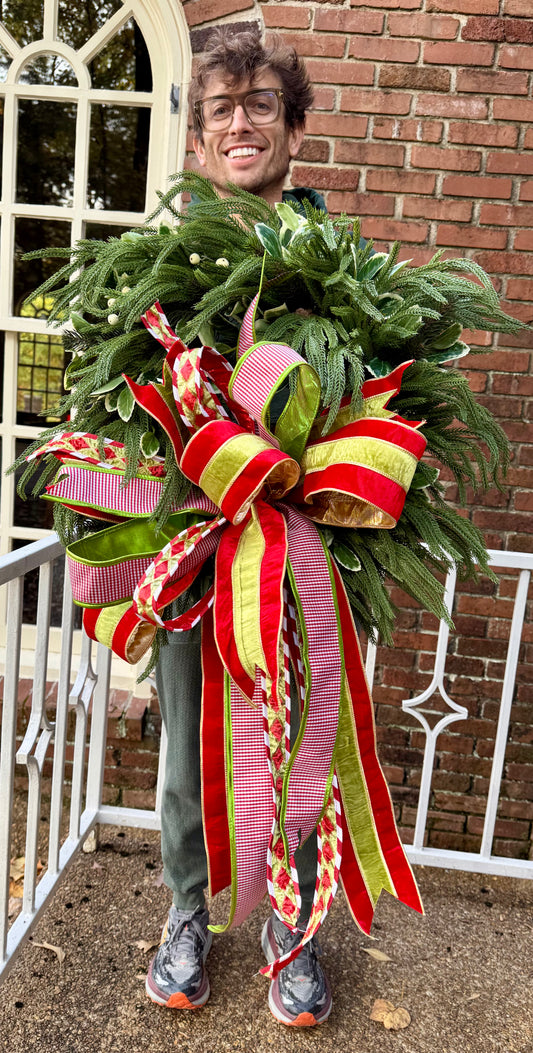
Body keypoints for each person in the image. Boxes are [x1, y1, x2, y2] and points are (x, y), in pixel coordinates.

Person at [146, 27, 333, 1028]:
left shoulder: (330, 256)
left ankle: (290, 926)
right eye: (221, 106)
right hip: (193, 539)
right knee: (185, 749)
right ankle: (186, 912)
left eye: (261, 102)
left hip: (294, 544)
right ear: (198, 137)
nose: (240, 121)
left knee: (295, 745)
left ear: (293, 126)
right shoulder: (162, 257)